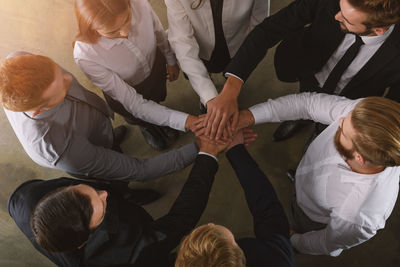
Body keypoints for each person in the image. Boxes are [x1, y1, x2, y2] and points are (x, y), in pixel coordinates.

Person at [8, 136, 234, 267]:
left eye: (86, 189)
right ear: (83, 241)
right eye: (101, 206)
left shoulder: (25, 199)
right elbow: (181, 219)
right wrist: (208, 155)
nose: (104, 194)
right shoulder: (135, 254)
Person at [205, 0, 400, 141]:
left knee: (328, 133)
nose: (336, 16)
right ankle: (298, 119)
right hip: (310, 69)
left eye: (347, 20)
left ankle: (319, 135)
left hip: (351, 98)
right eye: (340, 7)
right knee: (303, 96)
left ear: (379, 30)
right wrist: (231, 88)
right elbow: (269, 30)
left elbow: (393, 107)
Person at [236, 92, 400, 256]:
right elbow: (307, 104)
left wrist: (293, 241)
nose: (340, 120)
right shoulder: (363, 119)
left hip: (309, 218)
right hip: (305, 181)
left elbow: (326, 243)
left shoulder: (357, 216)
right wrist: (248, 117)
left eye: (343, 131)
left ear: (360, 158)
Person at [0, 52, 199, 185]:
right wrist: (201, 147)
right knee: (117, 180)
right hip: (83, 155)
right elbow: (141, 169)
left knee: (109, 142)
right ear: (38, 110)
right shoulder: (60, 149)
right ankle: (127, 193)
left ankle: (109, 139)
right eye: (61, 87)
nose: (69, 78)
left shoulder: (19, 60)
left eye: (59, 72)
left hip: (92, 128)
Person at [73, 0, 190, 150]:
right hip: (127, 89)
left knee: (157, 97)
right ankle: (146, 126)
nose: (125, 32)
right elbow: (133, 103)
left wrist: (170, 59)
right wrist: (183, 120)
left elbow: (158, 30)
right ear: (90, 28)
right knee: (135, 115)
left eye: (127, 19)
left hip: (154, 68)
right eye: (112, 32)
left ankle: (160, 119)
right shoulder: (86, 55)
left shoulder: (139, 3)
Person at [175, 142, 294, 266]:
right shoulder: (277, 259)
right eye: (231, 240)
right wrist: (234, 148)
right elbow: (268, 210)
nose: (210, 224)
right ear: (238, 256)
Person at [165, 0, 268, 125]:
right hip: (199, 46)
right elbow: (182, 41)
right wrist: (209, 96)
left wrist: (231, 88)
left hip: (237, 45)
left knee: (230, 71)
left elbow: (260, 30)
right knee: (203, 71)